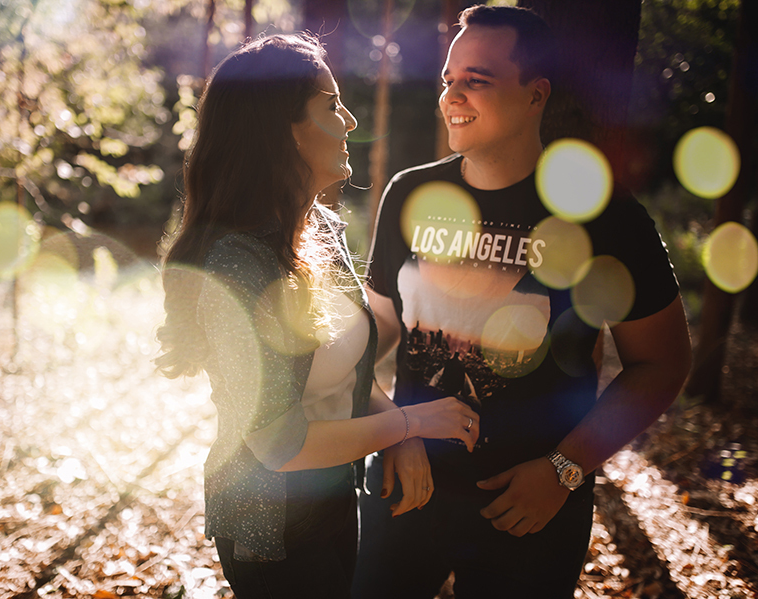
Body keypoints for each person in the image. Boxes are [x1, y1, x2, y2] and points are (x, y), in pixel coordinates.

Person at [352, 6, 692, 598]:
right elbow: (374, 333)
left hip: (529, 509)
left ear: (536, 95)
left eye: (476, 80)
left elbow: (662, 363)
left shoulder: (605, 216)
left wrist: (564, 471)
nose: (453, 95)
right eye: (447, 80)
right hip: (405, 487)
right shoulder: (410, 192)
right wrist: (393, 427)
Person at [154, 33, 479, 599]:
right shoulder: (237, 266)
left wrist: (398, 433)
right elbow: (279, 445)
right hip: (271, 530)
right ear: (281, 130)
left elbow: (347, 370)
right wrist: (411, 424)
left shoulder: (319, 230)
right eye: (331, 105)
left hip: (336, 498)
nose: (350, 121)